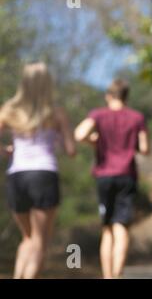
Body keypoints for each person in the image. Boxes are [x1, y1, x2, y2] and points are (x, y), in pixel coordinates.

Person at [0, 62, 76, 279]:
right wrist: (60, 140)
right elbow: (71, 150)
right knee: (40, 242)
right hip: (44, 174)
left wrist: (6, 150)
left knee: (27, 238)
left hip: (17, 176)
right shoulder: (56, 112)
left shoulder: (9, 110)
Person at [74, 79, 149, 279]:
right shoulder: (136, 117)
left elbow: (79, 134)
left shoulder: (98, 115)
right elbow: (144, 149)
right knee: (121, 226)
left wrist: (95, 142)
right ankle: (118, 274)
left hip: (104, 176)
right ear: (126, 96)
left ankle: (108, 276)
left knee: (107, 228)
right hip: (127, 175)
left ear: (108, 95)